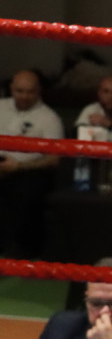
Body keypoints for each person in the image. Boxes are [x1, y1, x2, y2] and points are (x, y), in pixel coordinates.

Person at [0, 69, 64, 258]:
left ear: (39, 91)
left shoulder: (49, 118)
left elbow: (54, 158)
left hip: (29, 170)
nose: (25, 96)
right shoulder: (0, 106)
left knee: (26, 190)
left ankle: (13, 251)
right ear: (11, 88)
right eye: (20, 91)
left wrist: (19, 167)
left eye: (30, 92)